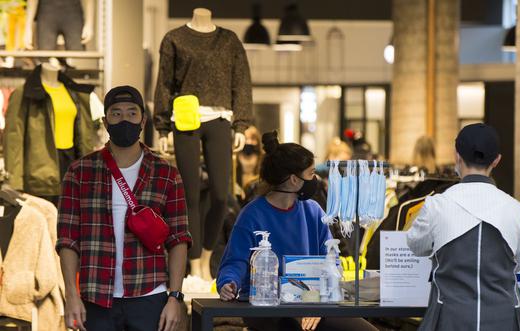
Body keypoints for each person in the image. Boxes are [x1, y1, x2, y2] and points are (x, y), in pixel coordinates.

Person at [56, 86, 192, 331]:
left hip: (150, 295)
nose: (124, 119)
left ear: (143, 120)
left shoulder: (166, 174)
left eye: (132, 113)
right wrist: (71, 295)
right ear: (105, 121)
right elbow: (67, 239)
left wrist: (175, 296)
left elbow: (179, 239)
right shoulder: (79, 172)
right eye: (116, 114)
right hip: (96, 297)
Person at [217, 131, 376, 331]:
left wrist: (319, 301)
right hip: (265, 305)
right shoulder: (252, 215)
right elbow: (235, 261)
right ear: (294, 180)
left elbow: (331, 259)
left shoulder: (313, 210)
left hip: (310, 299)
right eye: (310, 173)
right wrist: (228, 283)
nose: (314, 179)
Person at [406, 123, 520, 330]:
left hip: (450, 320)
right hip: (504, 321)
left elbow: (415, 245)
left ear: (457, 156)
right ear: (497, 160)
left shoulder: (436, 205)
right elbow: (519, 262)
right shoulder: (517, 210)